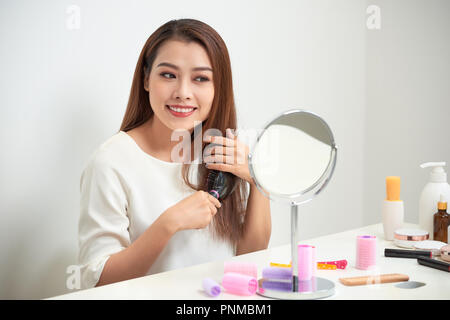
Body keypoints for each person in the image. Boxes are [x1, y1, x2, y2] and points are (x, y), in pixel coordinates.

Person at [78, 18, 271, 289]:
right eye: (168, 75)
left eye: (200, 78)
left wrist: (258, 178)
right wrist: (168, 224)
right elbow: (98, 281)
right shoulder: (110, 162)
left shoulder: (223, 151)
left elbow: (249, 259)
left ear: (218, 89)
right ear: (146, 79)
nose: (182, 93)